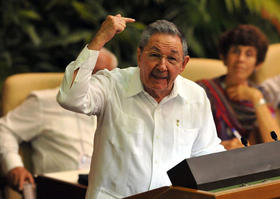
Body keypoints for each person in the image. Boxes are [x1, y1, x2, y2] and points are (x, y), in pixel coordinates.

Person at [57, 14, 225, 199]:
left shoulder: (195, 96)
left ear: (183, 64)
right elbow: (70, 98)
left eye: (171, 59)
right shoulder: (112, 85)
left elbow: (205, 152)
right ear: (139, 56)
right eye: (154, 55)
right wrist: (100, 39)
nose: (162, 66)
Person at [0, 47, 118, 191]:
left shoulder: (114, 106)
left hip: (106, 188)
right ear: (76, 69)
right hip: (61, 190)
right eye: (91, 71)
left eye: (104, 76)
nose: (96, 80)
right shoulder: (44, 101)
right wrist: (13, 165)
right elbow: (4, 128)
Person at [197, 24, 280, 150]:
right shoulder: (203, 91)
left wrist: (255, 97)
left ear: (258, 64)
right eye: (236, 51)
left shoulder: (261, 94)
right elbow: (188, 140)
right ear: (224, 57)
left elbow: (275, 145)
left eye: (249, 54)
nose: (241, 59)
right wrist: (222, 146)